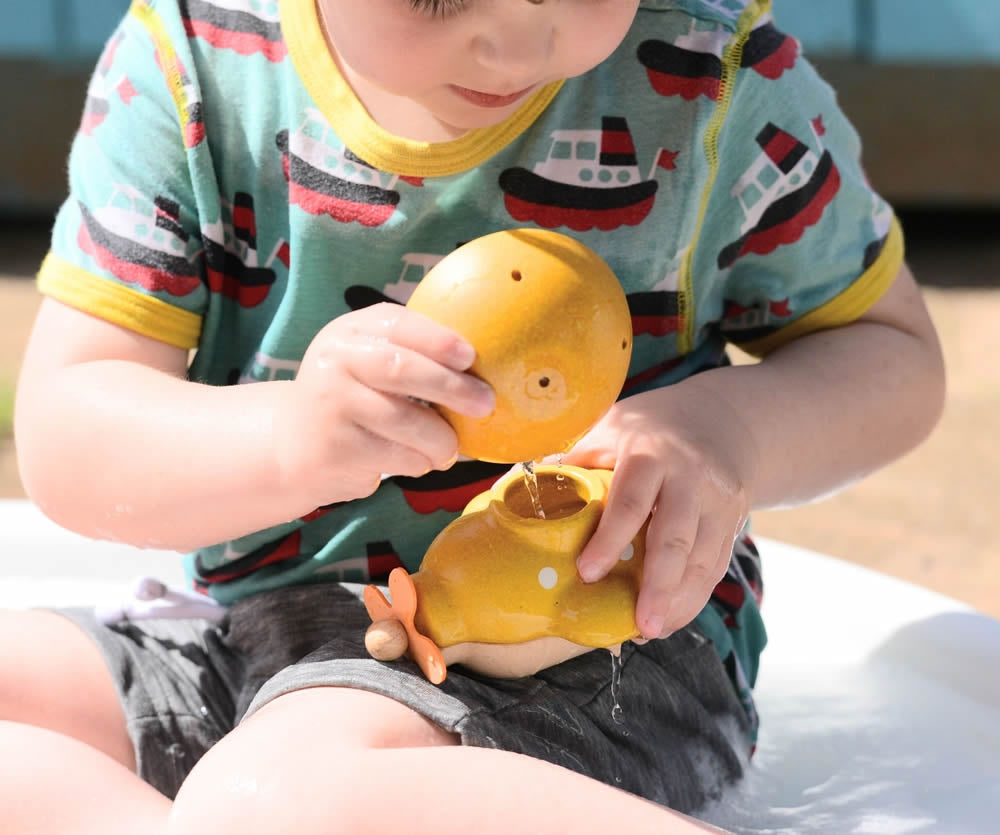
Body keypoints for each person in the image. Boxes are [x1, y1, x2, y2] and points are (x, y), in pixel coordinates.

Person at [3, 0, 945, 832]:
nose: (515, 38)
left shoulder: (714, 86)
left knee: (282, 794)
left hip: (584, 643)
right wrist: (290, 439)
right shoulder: (191, 69)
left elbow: (890, 357)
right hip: (252, 625)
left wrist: (723, 432)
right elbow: (71, 435)